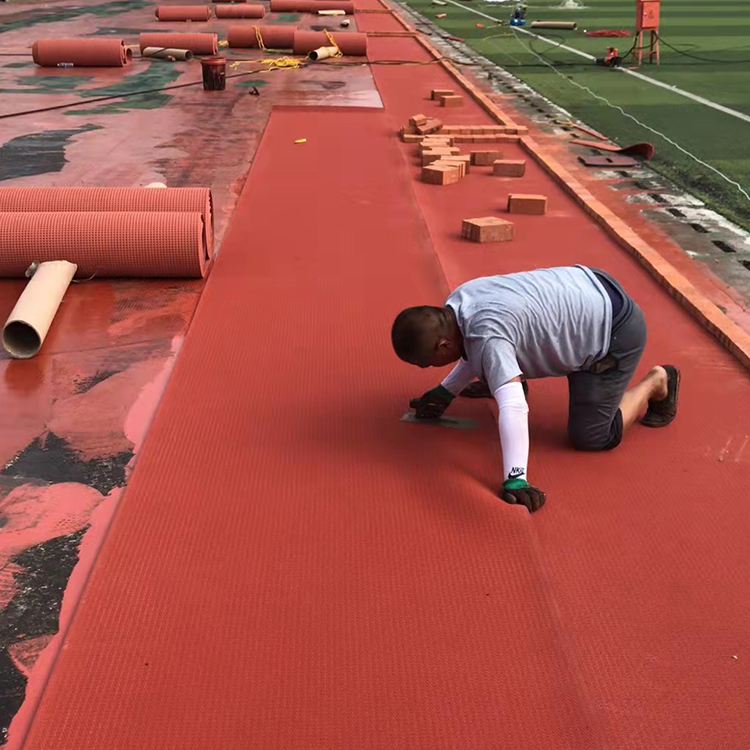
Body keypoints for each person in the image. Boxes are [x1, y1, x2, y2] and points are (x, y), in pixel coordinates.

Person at [391, 266, 680, 513]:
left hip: (616, 330)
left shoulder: (487, 337)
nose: (428, 368)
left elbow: (513, 404)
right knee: (495, 357)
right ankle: (538, 365)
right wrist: (444, 392)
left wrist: (516, 477)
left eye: (427, 363)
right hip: (590, 285)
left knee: (592, 436)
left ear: (443, 345)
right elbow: (472, 347)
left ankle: (656, 382)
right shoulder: (459, 301)